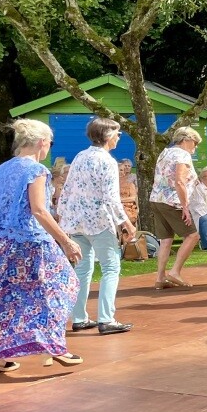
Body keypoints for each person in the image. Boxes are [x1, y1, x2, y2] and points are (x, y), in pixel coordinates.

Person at [0, 119, 83, 373]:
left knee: (0, 299)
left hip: (3, 244)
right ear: (42, 142)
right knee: (61, 287)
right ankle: (55, 346)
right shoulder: (36, 170)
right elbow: (40, 211)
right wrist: (66, 241)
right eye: (49, 143)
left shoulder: (2, 169)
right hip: (32, 244)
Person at [57, 117, 137, 336]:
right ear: (108, 136)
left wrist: (62, 217)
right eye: (117, 133)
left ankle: (80, 318)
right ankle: (106, 319)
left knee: (82, 268)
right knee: (111, 267)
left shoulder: (80, 157)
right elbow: (110, 197)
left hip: (76, 220)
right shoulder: (108, 161)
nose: (119, 137)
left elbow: (67, 189)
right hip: (99, 221)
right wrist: (126, 222)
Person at [148, 127, 202, 289]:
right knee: (193, 236)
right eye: (195, 142)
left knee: (166, 240)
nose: (196, 146)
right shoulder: (182, 155)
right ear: (186, 140)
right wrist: (185, 206)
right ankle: (175, 272)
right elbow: (180, 181)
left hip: (157, 199)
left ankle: (160, 278)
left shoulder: (165, 153)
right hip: (173, 202)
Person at [117, 158, 139, 225]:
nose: (126, 168)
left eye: (128, 166)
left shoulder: (132, 178)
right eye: (125, 166)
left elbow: (134, 195)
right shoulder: (114, 180)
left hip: (128, 201)